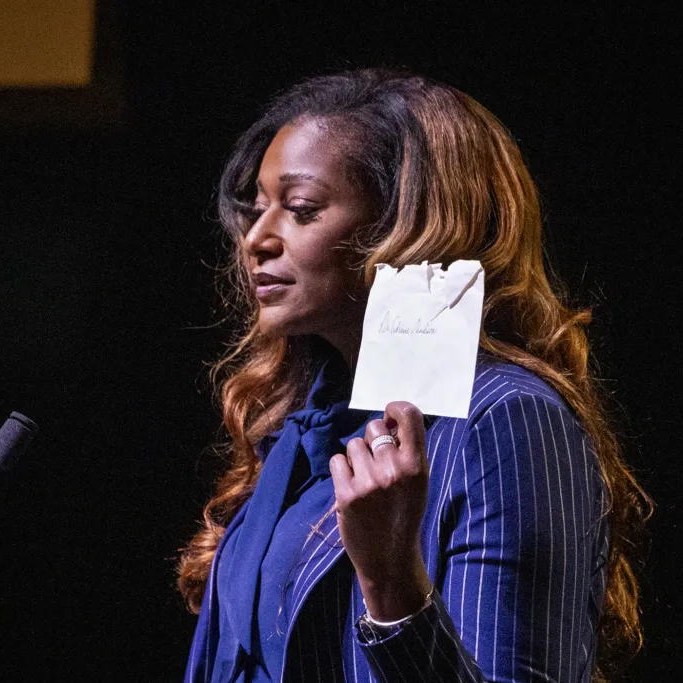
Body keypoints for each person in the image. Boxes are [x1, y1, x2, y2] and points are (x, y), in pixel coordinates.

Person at [178, 69, 650, 683]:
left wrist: (391, 579)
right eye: (257, 209)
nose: (257, 240)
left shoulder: (508, 419)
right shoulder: (300, 434)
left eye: (299, 210)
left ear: (406, 224)